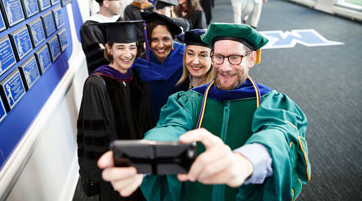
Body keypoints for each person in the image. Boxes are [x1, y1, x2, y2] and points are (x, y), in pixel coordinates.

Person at [98, 23, 311, 201]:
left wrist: (245, 160)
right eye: (218, 57)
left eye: (235, 58)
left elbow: (279, 134)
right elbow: (171, 127)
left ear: (251, 59)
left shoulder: (272, 102)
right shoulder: (190, 100)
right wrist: (147, 153)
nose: (225, 67)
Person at [77, 21, 155, 200]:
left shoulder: (138, 78)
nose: (128, 54)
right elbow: (96, 134)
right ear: (109, 49)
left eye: (132, 47)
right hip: (115, 171)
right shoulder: (97, 83)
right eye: (120, 48)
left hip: (142, 165)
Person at [132, 12, 187, 122]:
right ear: (148, 41)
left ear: (173, 38)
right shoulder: (141, 65)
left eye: (166, 39)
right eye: (154, 40)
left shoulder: (185, 60)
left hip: (183, 124)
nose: (160, 45)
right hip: (152, 126)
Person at [80, 0, 125, 74]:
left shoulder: (120, 21)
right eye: (118, 0)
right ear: (106, 3)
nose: (121, 3)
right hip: (104, 78)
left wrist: (109, 50)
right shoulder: (89, 27)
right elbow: (98, 57)